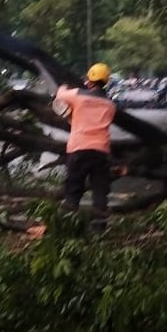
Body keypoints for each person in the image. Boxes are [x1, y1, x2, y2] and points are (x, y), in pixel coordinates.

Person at [56, 62, 119, 233]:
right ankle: (99, 230)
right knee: (100, 191)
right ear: (106, 81)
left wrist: (63, 85)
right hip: (101, 152)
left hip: (78, 149)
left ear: (89, 79)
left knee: (73, 189)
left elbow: (60, 96)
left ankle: (69, 228)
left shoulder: (78, 95)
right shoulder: (110, 105)